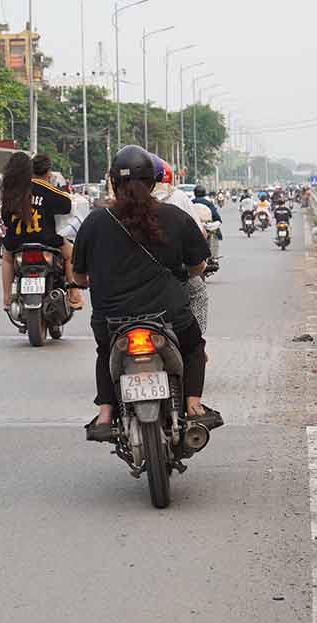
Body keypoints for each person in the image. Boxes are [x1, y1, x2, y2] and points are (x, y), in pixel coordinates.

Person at [72, 146, 220, 439]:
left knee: (105, 352)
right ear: (153, 182)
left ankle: (105, 413)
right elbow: (198, 266)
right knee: (193, 348)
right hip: (169, 316)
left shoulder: (95, 222)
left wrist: (89, 281)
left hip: (112, 320)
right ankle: (193, 406)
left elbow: (79, 276)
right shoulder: (176, 217)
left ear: (113, 182)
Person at [0, 153, 83, 312]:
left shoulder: (12, 192)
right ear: (47, 172)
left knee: (7, 259)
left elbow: (6, 218)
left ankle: (7, 298)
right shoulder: (46, 188)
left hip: (17, 241)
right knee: (71, 254)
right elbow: (67, 205)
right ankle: (74, 293)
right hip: (47, 240)